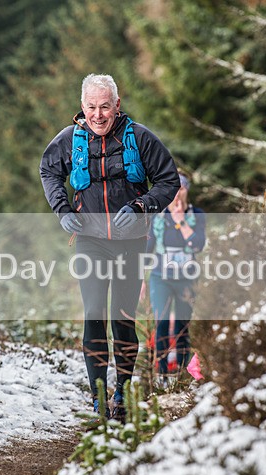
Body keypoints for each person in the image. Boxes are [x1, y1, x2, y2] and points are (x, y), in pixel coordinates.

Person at [40, 73, 180, 421]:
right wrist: (62, 210)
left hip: (131, 243)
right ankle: (98, 397)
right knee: (94, 314)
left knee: (122, 319)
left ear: (117, 105)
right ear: (82, 106)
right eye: (91, 107)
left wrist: (141, 206)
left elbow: (169, 180)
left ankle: (122, 392)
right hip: (90, 242)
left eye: (104, 106)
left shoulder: (140, 138)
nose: (98, 115)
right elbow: (49, 171)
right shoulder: (69, 140)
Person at [145, 171, 206, 384]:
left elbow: (197, 245)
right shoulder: (158, 217)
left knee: (182, 325)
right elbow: (148, 249)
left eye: (181, 188)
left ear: (187, 190)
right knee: (161, 323)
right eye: (173, 188)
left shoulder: (196, 215)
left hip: (187, 279)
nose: (177, 193)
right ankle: (161, 373)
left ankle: (181, 374)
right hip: (160, 278)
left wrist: (181, 221)